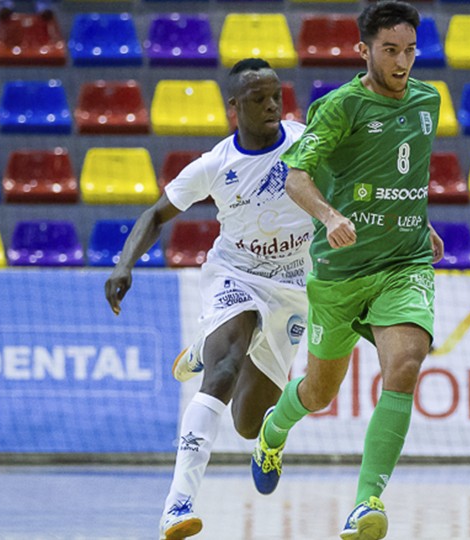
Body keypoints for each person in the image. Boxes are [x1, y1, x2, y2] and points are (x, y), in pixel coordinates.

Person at [248, 2, 443, 539]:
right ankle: (274, 428)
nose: (402, 61)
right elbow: (295, 177)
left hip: (403, 264)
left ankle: (366, 503)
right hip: (339, 270)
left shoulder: (429, 100)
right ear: (364, 51)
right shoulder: (339, 107)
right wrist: (330, 215)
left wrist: (416, 224)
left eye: (409, 49)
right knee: (318, 392)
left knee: (405, 364)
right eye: (389, 50)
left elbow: (404, 174)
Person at [104, 58, 313, 540]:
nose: (271, 106)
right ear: (233, 108)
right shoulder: (216, 165)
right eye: (259, 99)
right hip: (235, 275)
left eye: (276, 96)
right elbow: (155, 215)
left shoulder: (305, 144)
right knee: (223, 370)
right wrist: (124, 263)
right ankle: (178, 505)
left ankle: (202, 351)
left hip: (292, 288)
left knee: (246, 423)